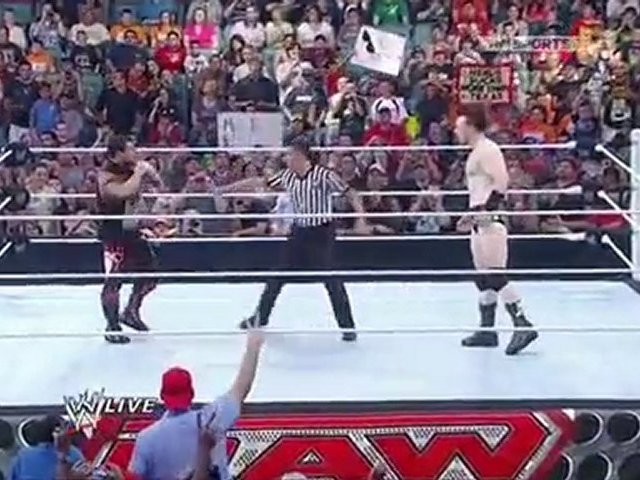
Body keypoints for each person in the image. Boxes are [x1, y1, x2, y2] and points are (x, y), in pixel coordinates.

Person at [220, 138, 366, 342]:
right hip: (299, 231)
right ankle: (259, 318)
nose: (287, 159)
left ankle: (347, 326)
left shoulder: (323, 175)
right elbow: (261, 182)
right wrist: (227, 189)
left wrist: (360, 219)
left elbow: (351, 193)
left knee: (331, 279)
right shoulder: (287, 176)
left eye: (291, 155)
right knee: (278, 276)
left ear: (301, 156)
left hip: (321, 233)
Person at [454, 105, 538, 355]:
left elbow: (501, 183)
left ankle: (523, 324)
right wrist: (471, 214)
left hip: (490, 219)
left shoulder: (488, 149)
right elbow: (481, 188)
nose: (456, 131)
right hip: (479, 217)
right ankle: (487, 330)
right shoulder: (476, 151)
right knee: (483, 277)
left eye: (459, 126)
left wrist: (486, 211)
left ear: (470, 125)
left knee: (495, 274)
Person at [128, 328, 265, 480]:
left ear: (162, 396)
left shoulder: (146, 439)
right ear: (192, 393)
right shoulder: (213, 419)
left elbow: (134, 477)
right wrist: (253, 346)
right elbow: (241, 388)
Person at [97, 135, 163, 344]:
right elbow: (124, 192)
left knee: (150, 274)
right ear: (118, 154)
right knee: (113, 281)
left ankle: (131, 311)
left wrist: (149, 171)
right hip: (114, 234)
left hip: (133, 230)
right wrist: (140, 173)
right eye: (130, 149)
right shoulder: (105, 176)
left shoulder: (130, 168)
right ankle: (112, 326)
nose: (135, 153)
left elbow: (158, 184)